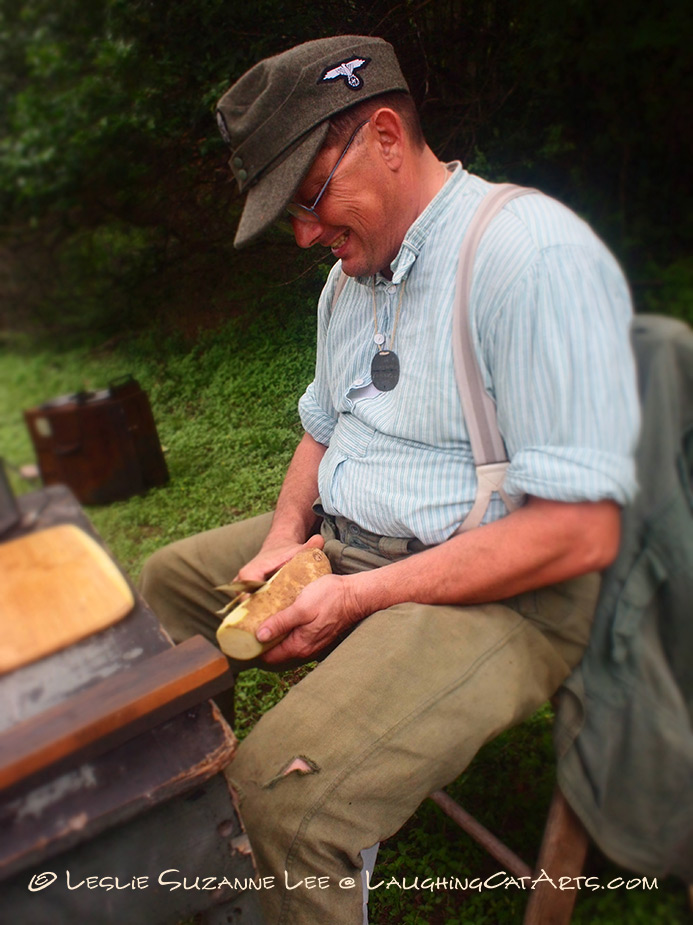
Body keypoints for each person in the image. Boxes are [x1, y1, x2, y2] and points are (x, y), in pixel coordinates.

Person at [140, 35, 640, 924]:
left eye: (310, 199)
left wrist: (355, 601)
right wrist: (283, 540)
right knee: (166, 588)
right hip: (351, 547)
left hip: (505, 587)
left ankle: (294, 825)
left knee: (283, 801)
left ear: (382, 135)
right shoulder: (349, 281)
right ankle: (190, 830)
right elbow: (320, 429)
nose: (303, 235)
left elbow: (579, 532)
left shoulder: (527, 256)